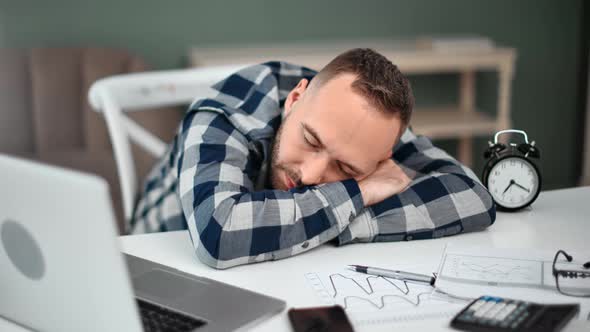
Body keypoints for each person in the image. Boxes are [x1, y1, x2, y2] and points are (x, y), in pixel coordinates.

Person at [133, 48, 496, 269]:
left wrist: (318, 224)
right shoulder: (229, 109)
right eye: (310, 140)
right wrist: (359, 191)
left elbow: (473, 197)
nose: (310, 175)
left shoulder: (371, 127)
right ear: (295, 99)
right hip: (157, 261)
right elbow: (219, 232)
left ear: (383, 157)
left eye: (348, 168)